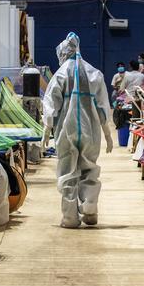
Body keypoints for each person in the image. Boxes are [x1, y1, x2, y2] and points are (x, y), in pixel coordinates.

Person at [42, 32, 113, 228]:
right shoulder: (93, 73)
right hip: (90, 130)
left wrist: (47, 128)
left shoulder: (61, 74)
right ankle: (90, 208)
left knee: (67, 170)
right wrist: (107, 133)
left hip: (66, 128)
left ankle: (70, 217)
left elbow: (51, 103)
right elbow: (102, 105)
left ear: (63, 53)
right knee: (90, 167)